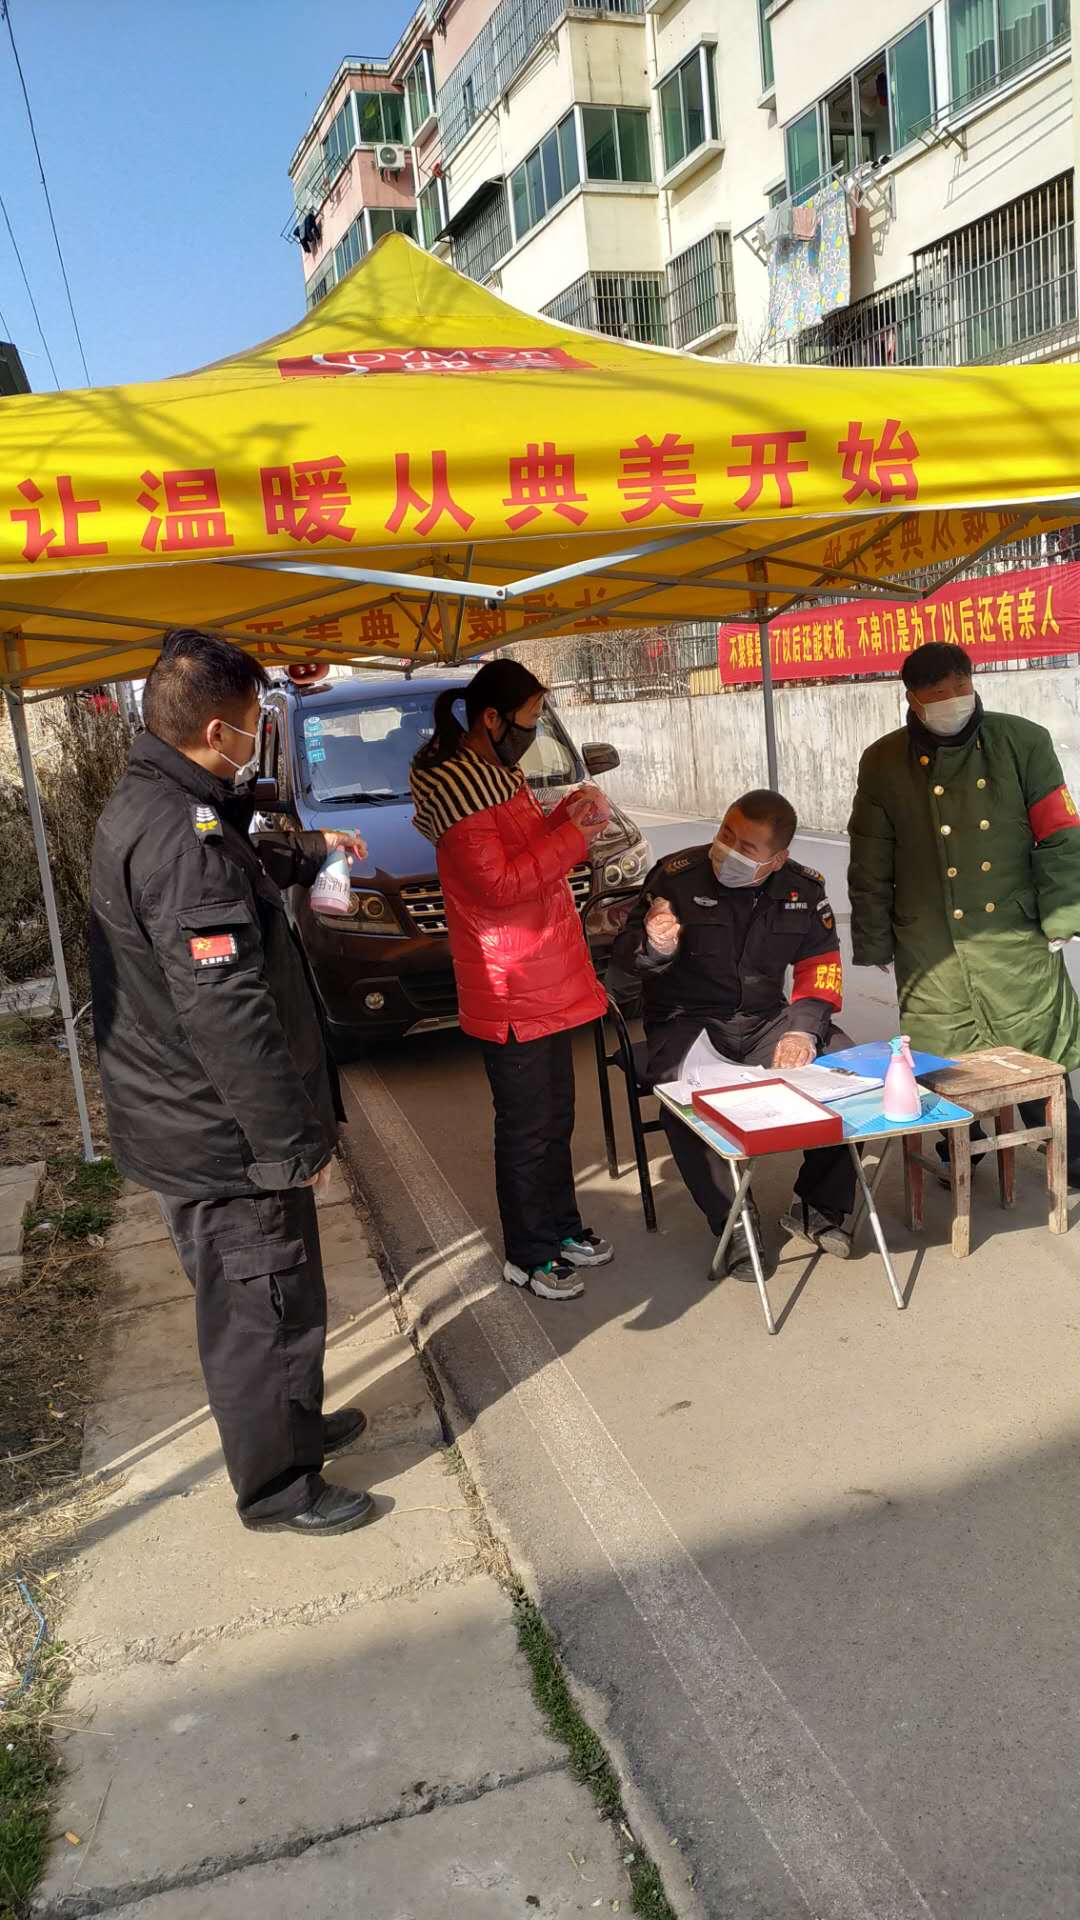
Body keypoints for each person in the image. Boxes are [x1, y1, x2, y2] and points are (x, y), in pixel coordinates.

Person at [89, 628, 374, 1538]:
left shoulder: (167, 799)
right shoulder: (181, 837)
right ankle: (281, 1487)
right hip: (224, 1135)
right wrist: (289, 1142)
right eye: (256, 721)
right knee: (263, 1309)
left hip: (189, 1115)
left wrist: (307, 847)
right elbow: (226, 1011)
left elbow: (240, 856)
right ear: (218, 730)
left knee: (276, 1298)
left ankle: (294, 1427)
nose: (260, 736)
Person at [410, 660, 613, 1301]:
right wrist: (572, 839)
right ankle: (528, 1254)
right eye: (529, 719)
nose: (533, 732)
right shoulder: (458, 789)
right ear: (492, 719)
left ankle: (561, 1227)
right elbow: (497, 884)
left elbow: (526, 850)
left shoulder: (501, 776)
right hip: (510, 984)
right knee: (526, 1129)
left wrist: (567, 816)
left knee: (555, 1118)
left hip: (544, 971)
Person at [849, 640, 1080, 1186]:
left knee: (1036, 1052)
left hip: (1013, 936)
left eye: (961, 688)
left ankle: (1069, 1153)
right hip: (931, 942)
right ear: (912, 699)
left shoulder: (1022, 741)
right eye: (937, 694)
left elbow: (1060, 835)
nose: (953, 701)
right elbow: (870, 857)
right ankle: (960, 1151)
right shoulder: (883, 761)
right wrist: (875, 937)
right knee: (948, 1057)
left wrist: (1062, 916)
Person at [610, 790, 857, 1275]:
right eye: (726, 833)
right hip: (687, 1019)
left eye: (746, 847)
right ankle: (733, 1220)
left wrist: (802, 1032)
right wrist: (655, 945)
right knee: (682, 1103)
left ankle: (818, 1206)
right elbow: (623, 961)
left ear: (777, 859)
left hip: (767, 1019)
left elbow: (820, 966)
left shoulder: (803, 888)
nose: (727, 850)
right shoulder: (675, 877)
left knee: (848, 1075)